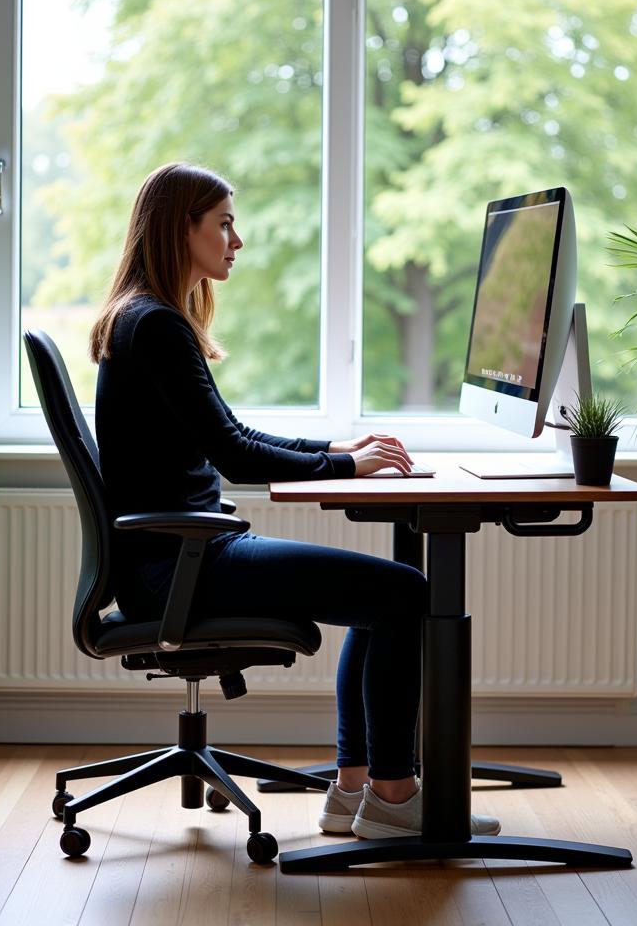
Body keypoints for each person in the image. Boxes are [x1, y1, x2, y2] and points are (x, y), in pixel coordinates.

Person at [89, 161, 499, 839]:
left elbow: (232, 433)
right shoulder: (155, 326)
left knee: (386, 596)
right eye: (223, 224)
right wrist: (344, 463)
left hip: (179, 558)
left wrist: (338, 450)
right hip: (180, 569)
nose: (236, 240)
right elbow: (236, 455)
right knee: (403, 595)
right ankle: (394, 799)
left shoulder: (146, 320)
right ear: (178, 228)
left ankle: (355, 791)